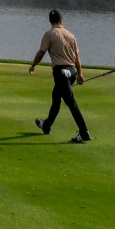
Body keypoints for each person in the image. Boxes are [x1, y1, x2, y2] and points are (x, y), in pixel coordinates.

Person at [29, 9, 91, 142]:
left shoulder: (49, 34)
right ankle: (46, 125)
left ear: (50, 21)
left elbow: (41, 53)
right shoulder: (70, 35)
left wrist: (33, 65)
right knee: (56, 97)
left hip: (60, 73)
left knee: (71, 103)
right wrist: (80, 74)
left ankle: (84, 132)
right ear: (61, 21)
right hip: (72, 72)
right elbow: (76, 58)